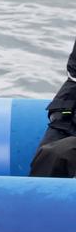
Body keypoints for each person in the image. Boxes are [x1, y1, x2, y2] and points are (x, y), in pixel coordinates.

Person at [30, 38, 76, 177]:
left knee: (58, 153)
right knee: (47, 154)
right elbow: (73, 74)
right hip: (70, 111)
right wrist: (62, 113)